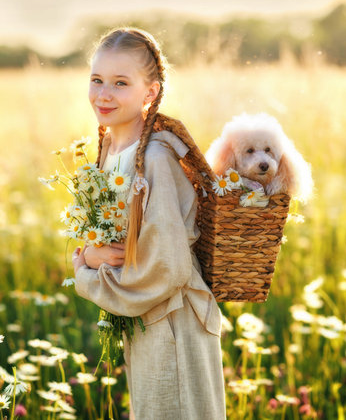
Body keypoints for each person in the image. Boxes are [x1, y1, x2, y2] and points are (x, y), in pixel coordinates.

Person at [71, 26, 226, 420]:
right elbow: (116, 242)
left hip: (172, 324)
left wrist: (89, 273)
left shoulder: (155, 157)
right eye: (97, 80)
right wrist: (93, 252)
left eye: (121, 83)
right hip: (147, 323)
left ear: (150, 92)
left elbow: (167, 267)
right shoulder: (111, 147)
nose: (104, 94)